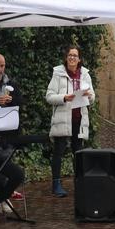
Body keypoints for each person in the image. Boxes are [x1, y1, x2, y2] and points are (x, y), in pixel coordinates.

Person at [45, 45, 95, 198]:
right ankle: (56, 184)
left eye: (75, 55)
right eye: (70, 55)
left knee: (78, 152)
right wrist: (64, 97)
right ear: (66, 58)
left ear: (79, 59)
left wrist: (88, 95)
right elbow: (49, 96)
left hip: (79, 119)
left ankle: (80, 182)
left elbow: (92, 97)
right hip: (62, 119)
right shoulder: (58, 73)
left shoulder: (85, 74)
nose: (72, 58)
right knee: (59, 152)